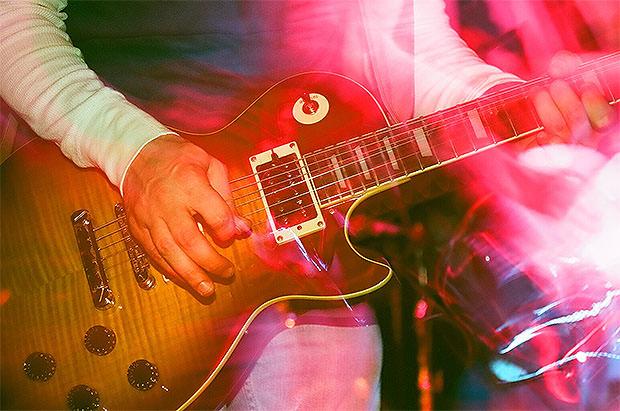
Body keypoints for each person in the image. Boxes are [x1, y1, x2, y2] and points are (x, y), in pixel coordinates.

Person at [0, 0, 613, 408]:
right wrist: (136, 153)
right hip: (85, 210)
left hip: (296, 269)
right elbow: (14, 21)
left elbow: (404, 47)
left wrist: (504, 102)